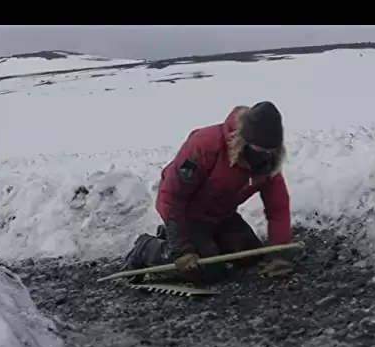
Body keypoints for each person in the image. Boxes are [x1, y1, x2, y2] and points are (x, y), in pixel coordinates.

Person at [123, 101, 294, 281]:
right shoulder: (205, 146)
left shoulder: (269, 161)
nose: (265, 154)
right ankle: (147, 248)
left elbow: (278, 208)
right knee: (205, 271)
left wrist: (278, 255)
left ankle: (198, 243)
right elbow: (171, 197)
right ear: (244, 140)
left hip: (221, 216)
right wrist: (182, 250)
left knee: (250, 256)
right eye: (259, 149)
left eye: (270, 149)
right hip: (188, 215)